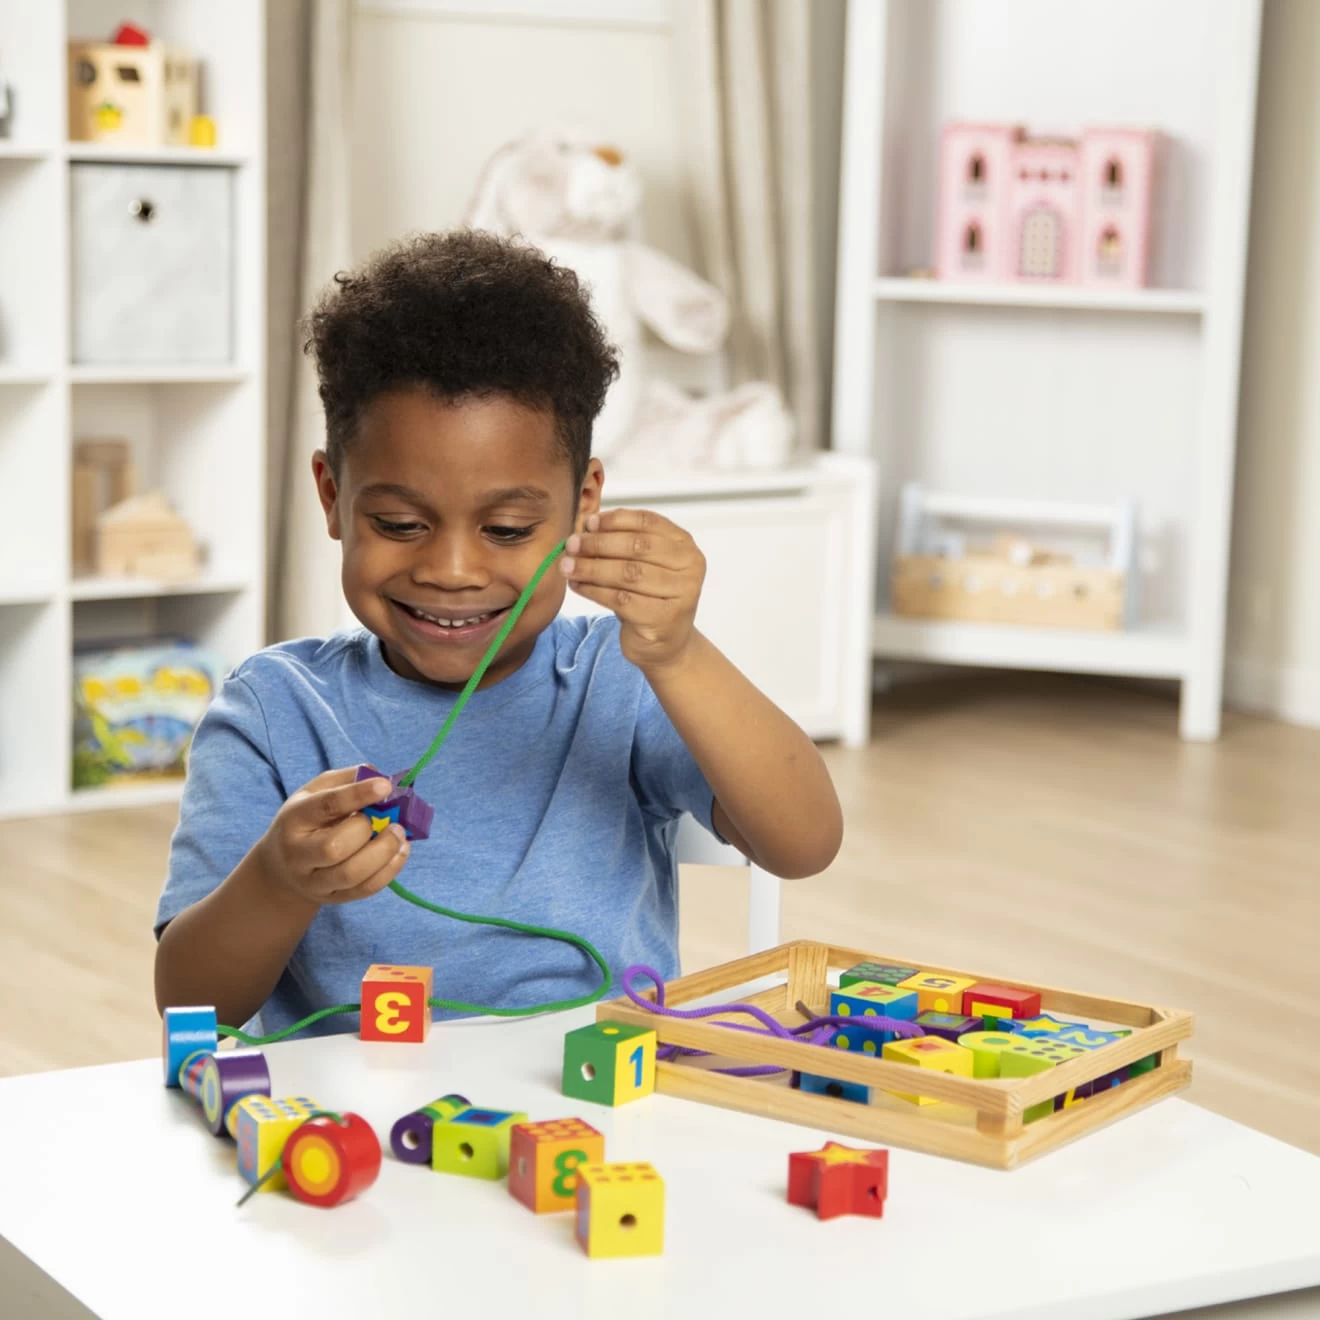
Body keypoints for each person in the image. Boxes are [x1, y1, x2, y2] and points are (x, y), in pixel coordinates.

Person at [153, 230, 843, 1037]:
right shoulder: (275, 710)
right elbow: (189, 1004)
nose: (451, 569)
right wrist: (278, 881)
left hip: (596, 1116)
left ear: (584, 504)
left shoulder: (616, 678)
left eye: (509, 528)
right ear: (331, 495)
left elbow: (806, 843)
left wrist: (679, 653)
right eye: (400, 522)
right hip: (358, 1130)